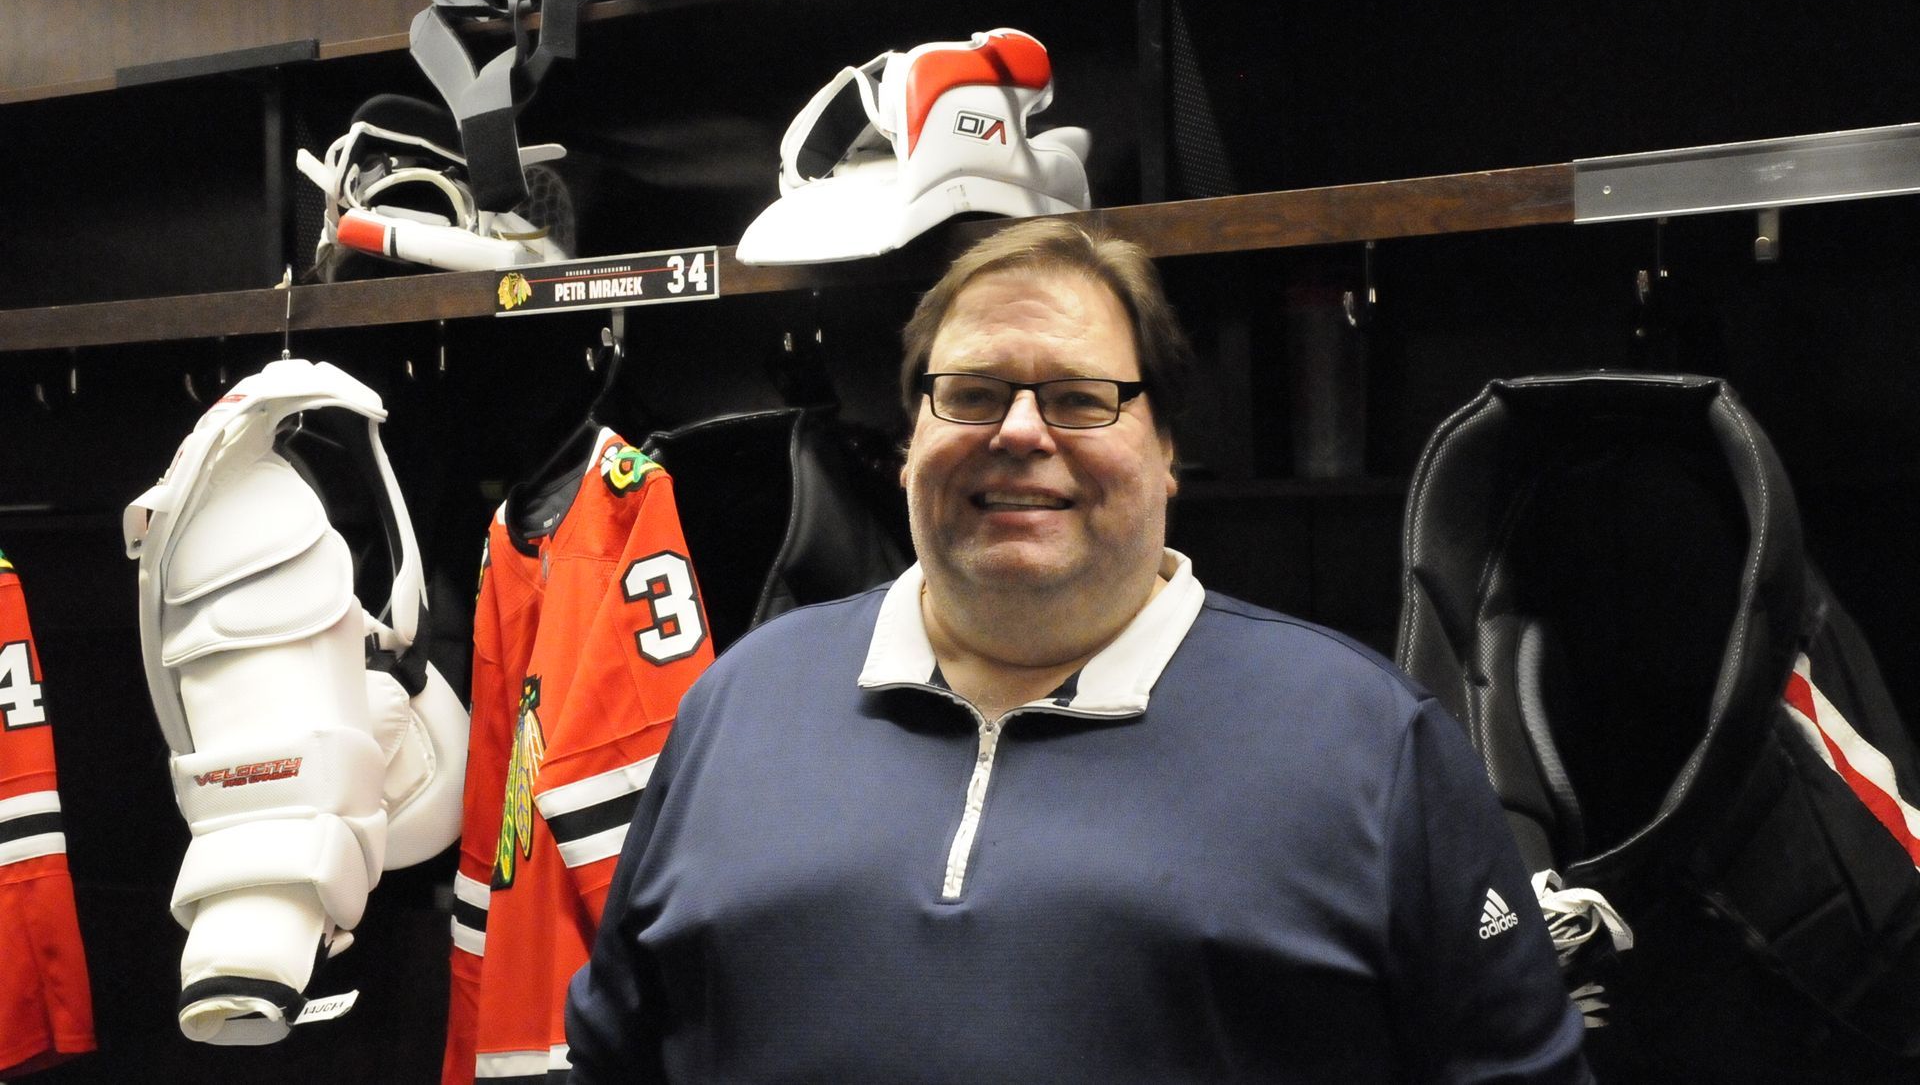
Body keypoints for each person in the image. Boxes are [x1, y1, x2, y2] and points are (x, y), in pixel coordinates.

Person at [565, 219, 1590, 1083]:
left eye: (1078, 399)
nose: (1018, 433)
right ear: (910, 434)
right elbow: (618, 1052)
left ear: (1167, 449)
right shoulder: (739, 701)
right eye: (969, 392)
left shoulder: (1369, 741)